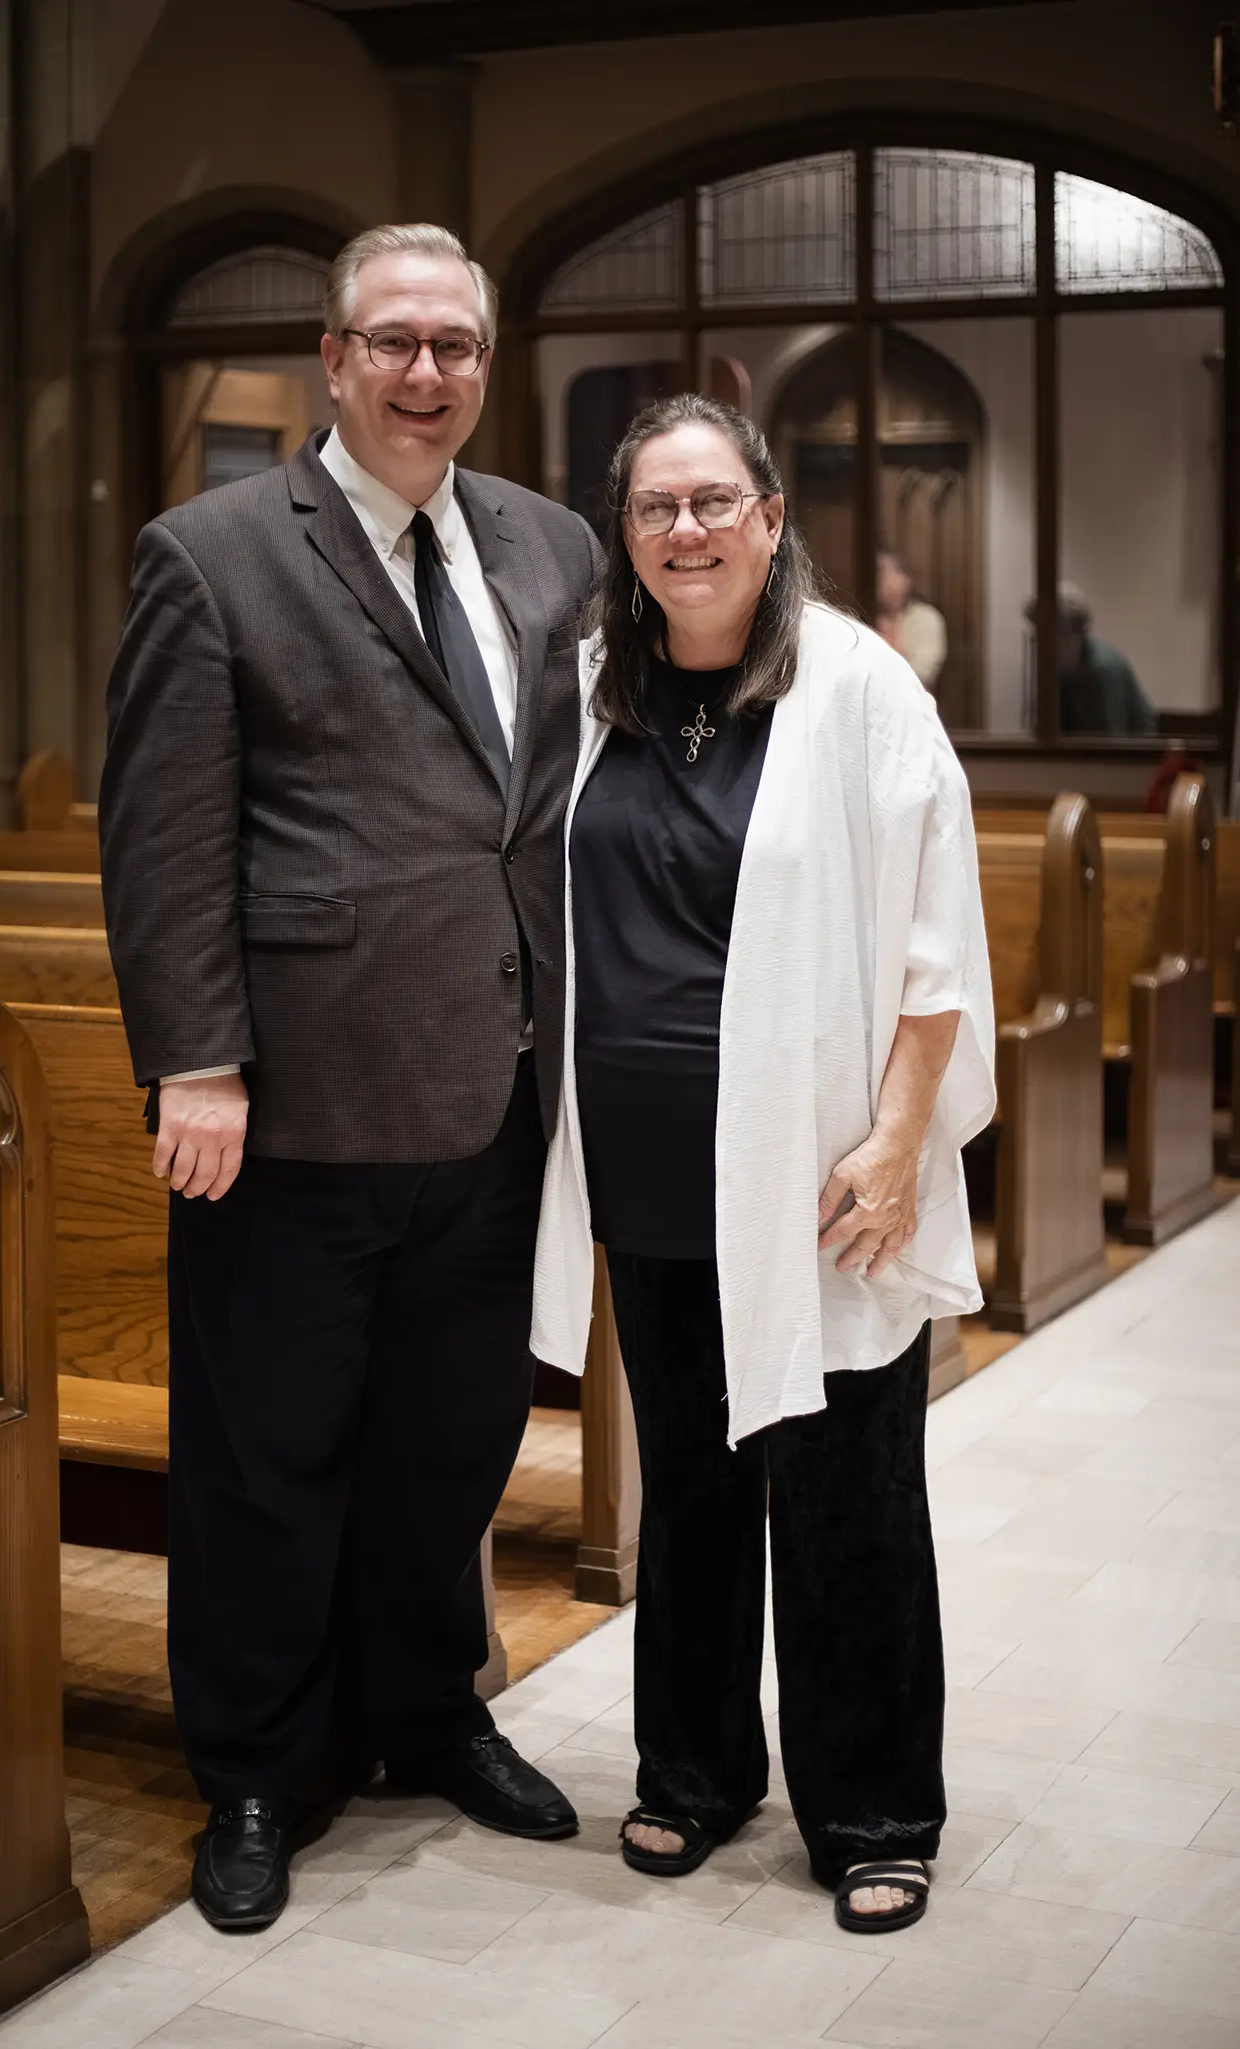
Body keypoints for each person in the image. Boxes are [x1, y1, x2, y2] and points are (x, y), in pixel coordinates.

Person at [100, 223, 602, 1933]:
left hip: (493, 1084)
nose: (427, 373)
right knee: (265, 1453)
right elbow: (164, 840)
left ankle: (429, 1708)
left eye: (455, 343)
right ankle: (251, 1763)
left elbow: (544, 808)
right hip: (291, 1105)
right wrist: (197, 1061)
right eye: (392, 341)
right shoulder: (213, 551)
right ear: (332, 358)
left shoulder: (550, 545)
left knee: (449, 1440)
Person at [530, 395, 995, 1933]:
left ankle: (872, 1808)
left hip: (819, 1172)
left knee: (850, 1487)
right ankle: (694, 1770)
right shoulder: (598, 678)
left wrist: (896, 1138)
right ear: (628, 533)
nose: (686, 532)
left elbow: (936, 940)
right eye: (657, 507)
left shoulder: (858, 687)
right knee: (696, 1482)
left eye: (714, 502)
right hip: (657, 1171)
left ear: (770, 518)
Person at [1033, 581, 1157, 735]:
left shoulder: (1105, 670)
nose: (1042, 648)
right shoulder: (1059, 670)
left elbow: (1111, 744)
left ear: (1075, 636)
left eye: (1051, 638)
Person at [876, 547, 947, 691]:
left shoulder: (926, 618)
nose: (877, 579)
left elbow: (922, 674)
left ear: (904, 579)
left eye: (883, 571)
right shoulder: (860, 617)